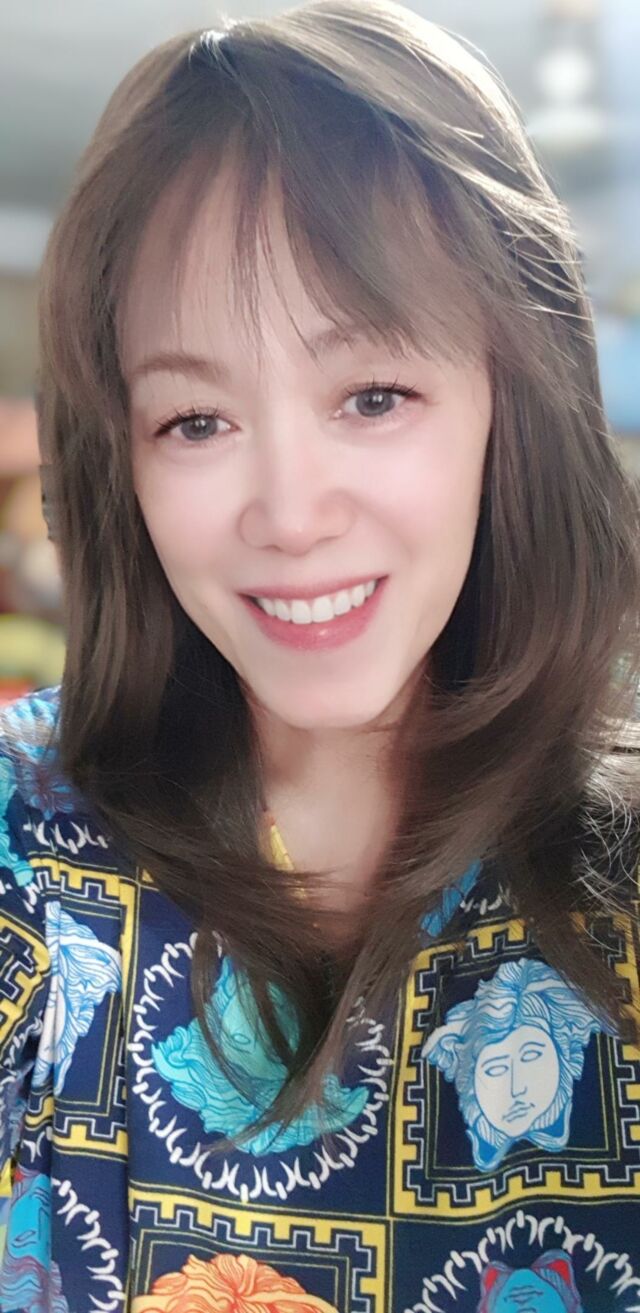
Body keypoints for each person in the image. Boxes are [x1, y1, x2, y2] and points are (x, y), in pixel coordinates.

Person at [1, 0, 639, 1307]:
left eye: (372, 396)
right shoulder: (26, 844)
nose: (289, 514)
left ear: (509, 404)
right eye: (195, 420)